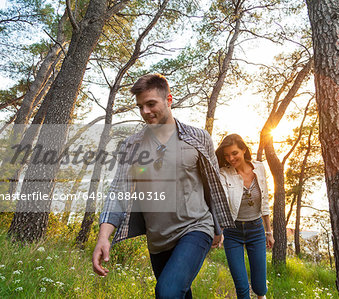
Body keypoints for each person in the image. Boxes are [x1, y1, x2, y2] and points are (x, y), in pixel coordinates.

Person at [92, 73, 234, 299]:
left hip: (195, 228)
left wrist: (217, 228)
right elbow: (119, 190)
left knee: (167, 292)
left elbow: (213, 185)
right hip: (157, 240)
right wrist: (103, 237)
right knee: (178, 293)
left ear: (169, 100)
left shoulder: (198, 138)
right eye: (140, 107)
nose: (145, 112)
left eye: (151, 104)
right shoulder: (132, 145)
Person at [215, 134, 274, 299]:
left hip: (256, 230)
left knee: (260, 287)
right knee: (241, 287)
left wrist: (268, 232)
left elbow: (265, 201)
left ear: (244, 150)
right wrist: (219, 230)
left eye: (234, 153)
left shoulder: (259, 168)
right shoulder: (224, 174)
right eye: (226, 155)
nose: (230, 158)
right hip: (232, 233)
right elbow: (223, 200)